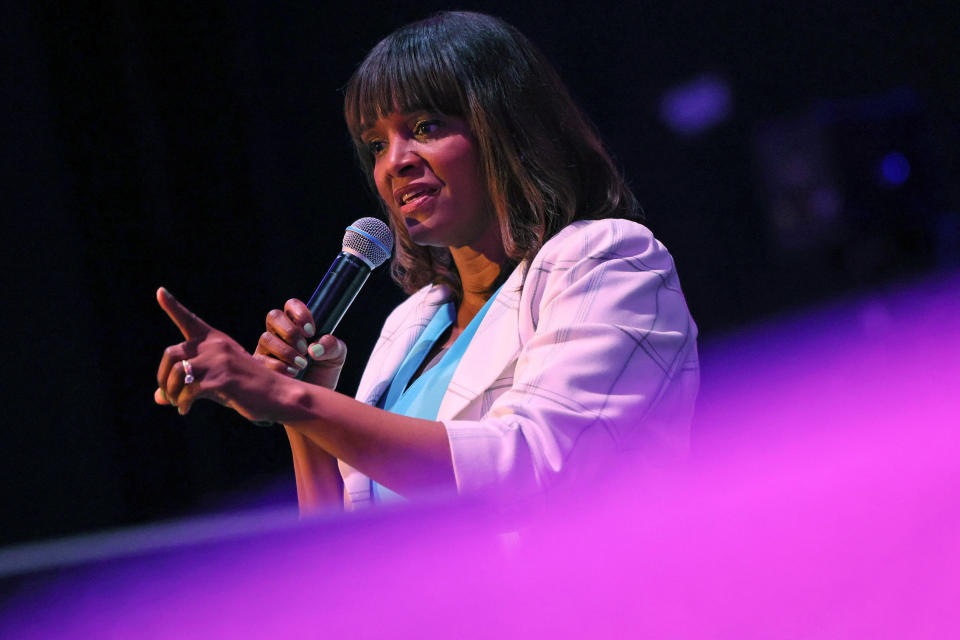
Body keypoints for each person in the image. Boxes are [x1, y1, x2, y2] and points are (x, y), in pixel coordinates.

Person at [155, 11, 699, 512]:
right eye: (375, 145)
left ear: (504, 127)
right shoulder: (408, 327)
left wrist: (286, 395)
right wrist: (306, 410)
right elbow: (346, 557)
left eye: (425, 127)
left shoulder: (607, 260)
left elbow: (528, 463)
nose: (395, 163)